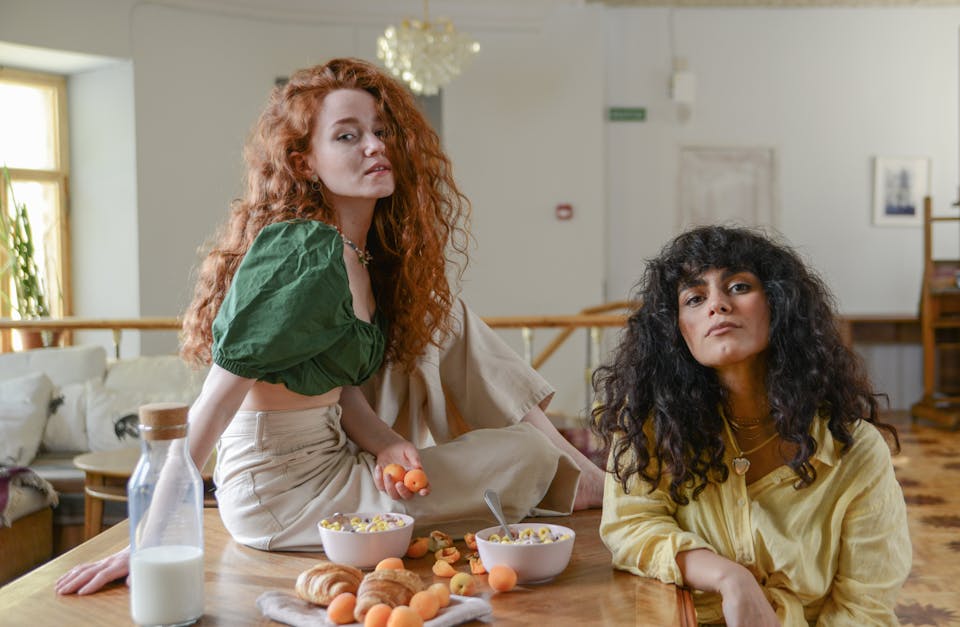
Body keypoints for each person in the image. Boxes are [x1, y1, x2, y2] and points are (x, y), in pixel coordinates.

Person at [57, 57, 603, 595]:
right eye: (347, 136)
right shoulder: (302, 251)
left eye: (380, 131)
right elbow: (216, 402)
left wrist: (388, 444)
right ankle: (582, 481)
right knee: (528, 455)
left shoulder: (357, 256)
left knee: (464, 354)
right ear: (305, 162)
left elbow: (339, 390)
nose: (374, 145)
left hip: (337, 459)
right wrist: (148, 539)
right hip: (282, 494)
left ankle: (576, 478)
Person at [594, 225, 911, 626]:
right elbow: (630, 524)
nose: (717, 305)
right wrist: (729, 577)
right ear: (677, 331)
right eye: (694, 298)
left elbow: (864, 610)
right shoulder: (653, 425)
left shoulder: (854, 450)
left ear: (779, 304)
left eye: (739, 287)